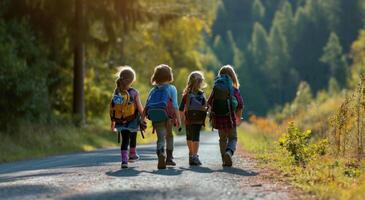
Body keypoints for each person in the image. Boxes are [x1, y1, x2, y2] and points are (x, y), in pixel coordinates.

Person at [144, 64, 181, 169]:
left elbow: (147, 106)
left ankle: (161, 153)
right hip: (168, 118)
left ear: (156, 77)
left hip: (156, 118)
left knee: (160, 138)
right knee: (169, 136)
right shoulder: (171, 88)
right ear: (169, 76)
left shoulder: (153, 90)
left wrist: (142, 119)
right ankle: (169, 158)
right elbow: (175, 106)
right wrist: (178, 120)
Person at [208, 65, 244, 167]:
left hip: (218, 117)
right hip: (230, 117)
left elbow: (209, 102)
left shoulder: (216, 88)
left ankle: (224, 159)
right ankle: (229, 152)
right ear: (233, 76)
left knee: (222, 139)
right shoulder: (234, 89)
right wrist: (238, 118)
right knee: (233, 138)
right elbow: (240, 104)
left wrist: (210, 114)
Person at [110, 66, 145, 169]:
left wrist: (112, 123)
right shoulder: (134, 92)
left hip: (120, 121)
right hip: (132, 120)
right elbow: (139, 107)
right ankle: (132, 155)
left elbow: (114, 109)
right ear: (132, 80)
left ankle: (124, 161)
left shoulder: (117, 92)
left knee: (124, 140)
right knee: (133, 136)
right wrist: (143, 117)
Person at [179, 71, 207, 166]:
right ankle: (194, 155)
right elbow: (205, 107)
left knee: (190, 137)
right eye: (199, 81)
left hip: (189, 118)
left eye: (201, 80)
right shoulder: (201, 94)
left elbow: (181, 108)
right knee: (194, 137)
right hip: (198, 118)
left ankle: (192, 154)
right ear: (195, 82)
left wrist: (180, 119)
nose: (200, 83)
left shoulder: (187, 94)